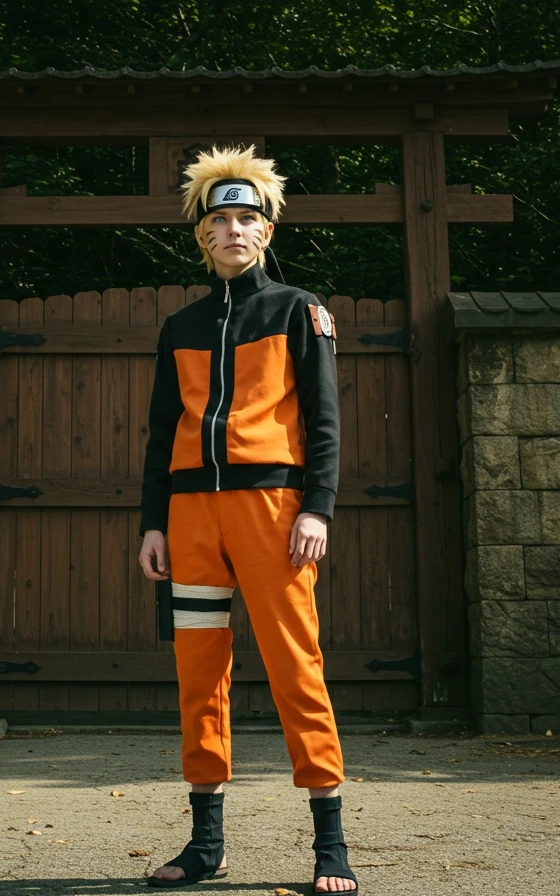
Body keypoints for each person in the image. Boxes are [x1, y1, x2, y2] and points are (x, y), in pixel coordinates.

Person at [137, 144, 359, 894]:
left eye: (246, 218)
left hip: (275, 513)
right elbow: (161, 430)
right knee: (200, 676)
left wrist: (318, 509)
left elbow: (324, 423)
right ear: (201, 236)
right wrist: (153, 524)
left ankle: (330, 847)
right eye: (219, 220)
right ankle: (207, 845)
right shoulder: (180, 326)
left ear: (267, 230)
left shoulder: (300, 310)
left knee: (297, 668)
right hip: (192, 516)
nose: (232, 230)